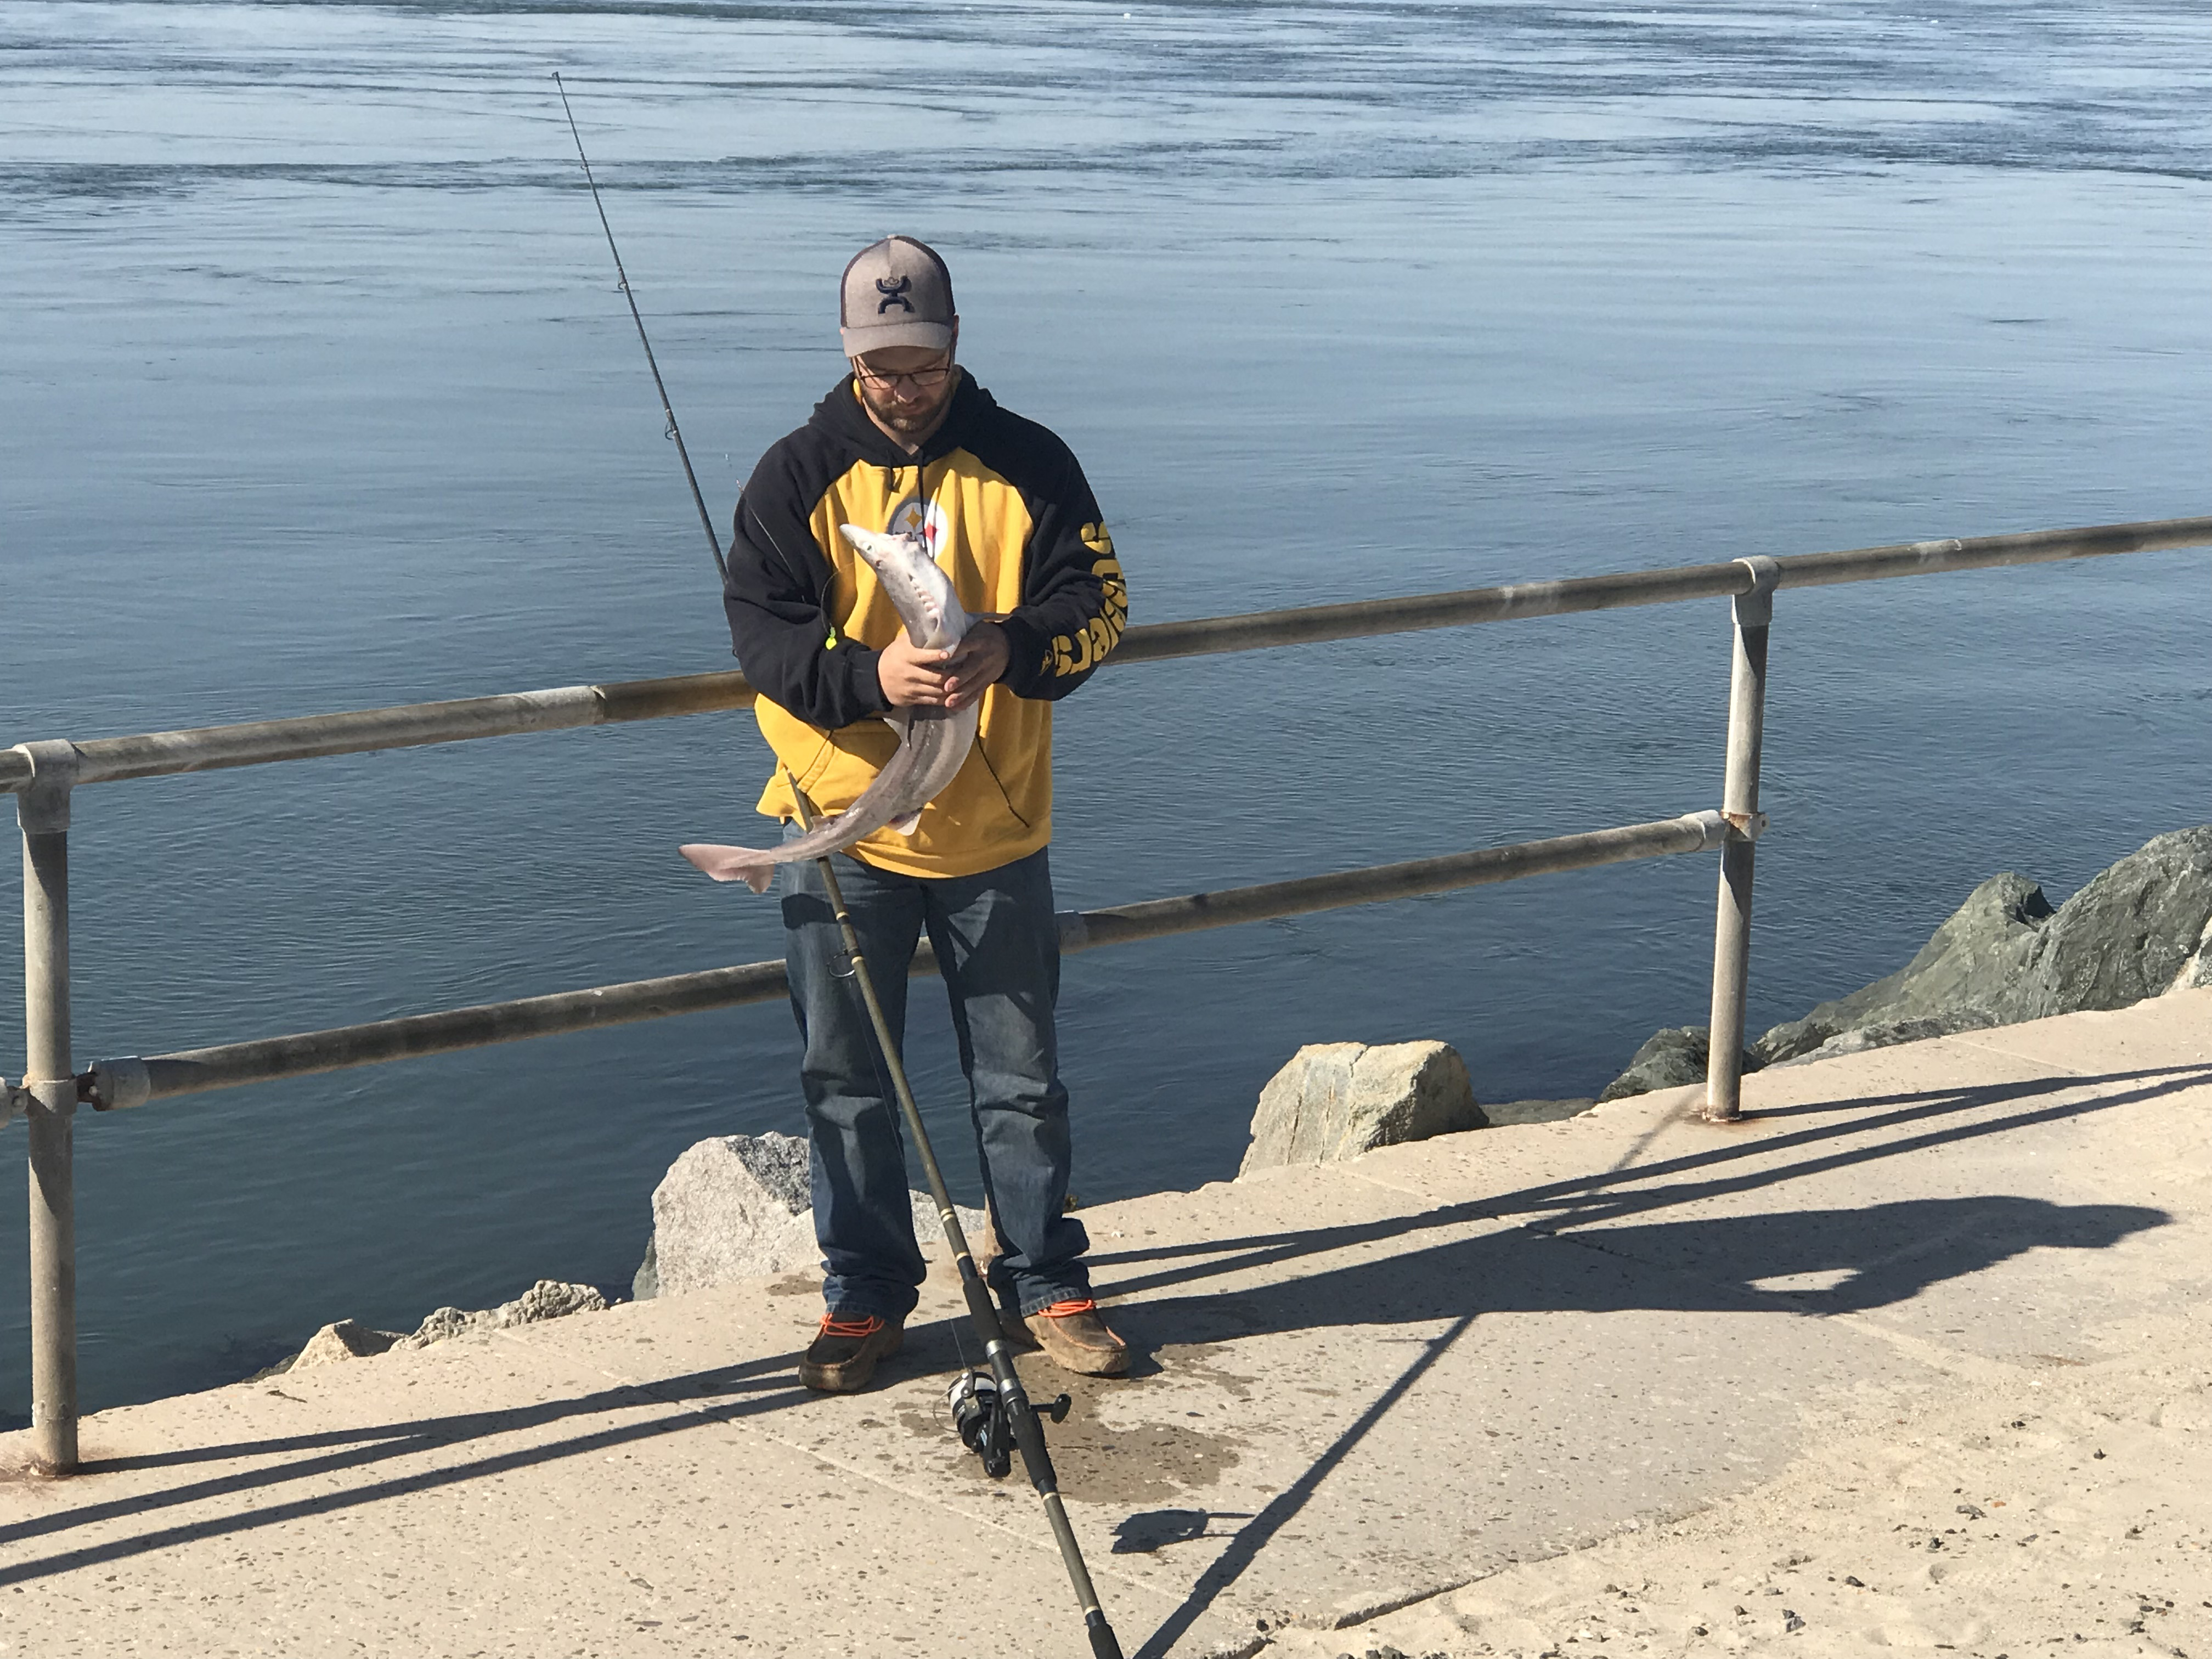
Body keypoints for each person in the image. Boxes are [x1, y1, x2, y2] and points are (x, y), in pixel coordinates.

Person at [721, 235, 1130, 1393]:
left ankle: (1046, 1277)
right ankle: (864, 1292)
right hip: (840, 827)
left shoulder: (1031, 464)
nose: (904, 388)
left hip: (993, 831)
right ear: (850, 353)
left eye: (924, 364)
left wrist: (1012, 646)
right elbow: (761, 635)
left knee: (1021, 1077)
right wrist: (871, 678)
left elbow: (1100, 606)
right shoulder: (796, 475)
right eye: (882, 366)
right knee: (845, 1077)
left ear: (955, 344)